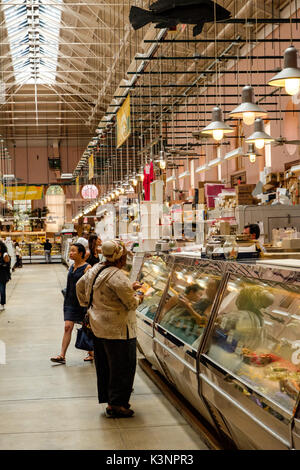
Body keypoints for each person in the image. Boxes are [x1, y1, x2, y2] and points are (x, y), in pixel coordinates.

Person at [76, 239, 143, 418]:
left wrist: (89, 304)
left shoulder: (96, 268)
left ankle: (111, 401)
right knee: (123, 367)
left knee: (105, 366)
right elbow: (131, 303)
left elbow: (79, 286)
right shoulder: (118, 275)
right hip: (119, 330)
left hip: (98, 326)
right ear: (120, 256)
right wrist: (139, 295)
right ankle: (118, 405)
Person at [50, 243, 91, 364]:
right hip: (70, 302)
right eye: (71, 251)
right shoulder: (72, 266)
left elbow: (89, 287)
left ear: (81, 253)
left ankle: (91, 352)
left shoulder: (87, 268)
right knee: (67, 327)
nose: (71, 253)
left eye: (73, 251)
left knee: (86, 328)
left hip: (82, 303)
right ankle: (62, 355)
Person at [0, 241, 11, 311]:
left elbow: (7, 264)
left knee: (2, 290)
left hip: (2, 275)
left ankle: (2, 304)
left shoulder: (5, 254)